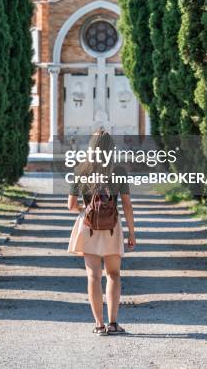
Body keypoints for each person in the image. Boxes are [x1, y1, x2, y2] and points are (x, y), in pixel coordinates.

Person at [67, 129, 136, 335]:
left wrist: (86, 211)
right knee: (114, 274)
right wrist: (132, 232)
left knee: (93, 277)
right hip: (112, 227)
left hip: (88, 228)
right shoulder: (119, 171)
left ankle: (99, 325)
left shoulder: (80, 170)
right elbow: (126, 204)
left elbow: (71, 205)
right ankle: (113, 323)